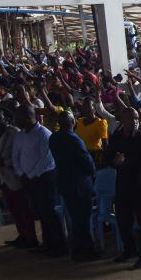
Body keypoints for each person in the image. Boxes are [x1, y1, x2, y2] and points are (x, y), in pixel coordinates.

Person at [11, 104, 67, 257]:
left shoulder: (43, 133)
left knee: (50, 212)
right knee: (40, 213)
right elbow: (15, 156)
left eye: (19, 117)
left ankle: (60, 246)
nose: (16, 120)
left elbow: (46, 160)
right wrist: (21, 173)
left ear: (29, 116)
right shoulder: (20, 135)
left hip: (44, 178)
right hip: (28, 179)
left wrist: (29, 176)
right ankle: (48, 244)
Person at [48, 110, 99, 261]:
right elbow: (87, 163)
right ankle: (85, 251)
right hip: (80, 185)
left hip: (65, 183)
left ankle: (78, 249)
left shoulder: (54, 138)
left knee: (74, 219)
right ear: (72, 122)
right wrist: (93, 171)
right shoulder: (75, 140)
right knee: (82, 219)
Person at [107, 104, 141, 269]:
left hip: (139, 185)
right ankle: (129, 249)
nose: (134, 121)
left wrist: (127, 162)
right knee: (123, 219)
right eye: (130, 118)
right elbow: (108, 158)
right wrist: (115, 161)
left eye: (136, 118)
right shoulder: (116, 138)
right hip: (122, 184)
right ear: (122, 120)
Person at [0, 107, 37, 248]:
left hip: (16, 175)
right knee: (14, 209)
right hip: (3, 176)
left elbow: (20, 155)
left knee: (24, 208)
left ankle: (31, 238)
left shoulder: (14, 133)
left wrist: (5, 162)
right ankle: (22, 235)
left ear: (6, 118)